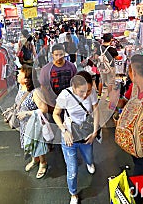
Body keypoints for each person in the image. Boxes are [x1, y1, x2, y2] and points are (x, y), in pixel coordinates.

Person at [52, 71, 100, 204]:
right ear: (73, 87)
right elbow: (56, 114)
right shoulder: (65, 95)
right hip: (70, 137)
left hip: (86, 134)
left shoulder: (92, 93)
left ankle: (89, 163)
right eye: (81, 92)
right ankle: (73, 193)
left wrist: (95, 131)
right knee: (72, 169)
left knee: (89, 157)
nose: (85, 95)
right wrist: (64, 130)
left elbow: (96, 110)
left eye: (89, 91)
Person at [15, 64, 48, 179]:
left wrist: (27, 113)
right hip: (24, 124)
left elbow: (44, 109)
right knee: (30, 143)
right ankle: (35, 159)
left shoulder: (36, 92)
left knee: (38, 143)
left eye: (20, 73)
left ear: (26, 79)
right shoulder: (20, 88)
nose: (18, 75)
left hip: (34, 123)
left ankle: (43, 163)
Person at [39, 43, 77, 110]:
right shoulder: (46, 69)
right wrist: (49, 102)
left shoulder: (71, 67)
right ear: (52, 55)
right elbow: (43, 87)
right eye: (56, 55)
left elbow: (76, 83)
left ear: (64, 54)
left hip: (69, 102)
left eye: (61, 54)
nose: (59, 57)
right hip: (53, 102)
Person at [95, 33, 118, 99]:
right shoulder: (112, 49)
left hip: (102, 67)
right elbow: (117, 57)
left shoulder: (99, 48)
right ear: (111, 40)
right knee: (110, 82)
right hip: (110, 67)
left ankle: (99, 95)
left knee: (101, 81)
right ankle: (108, 96)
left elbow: (96, 57)